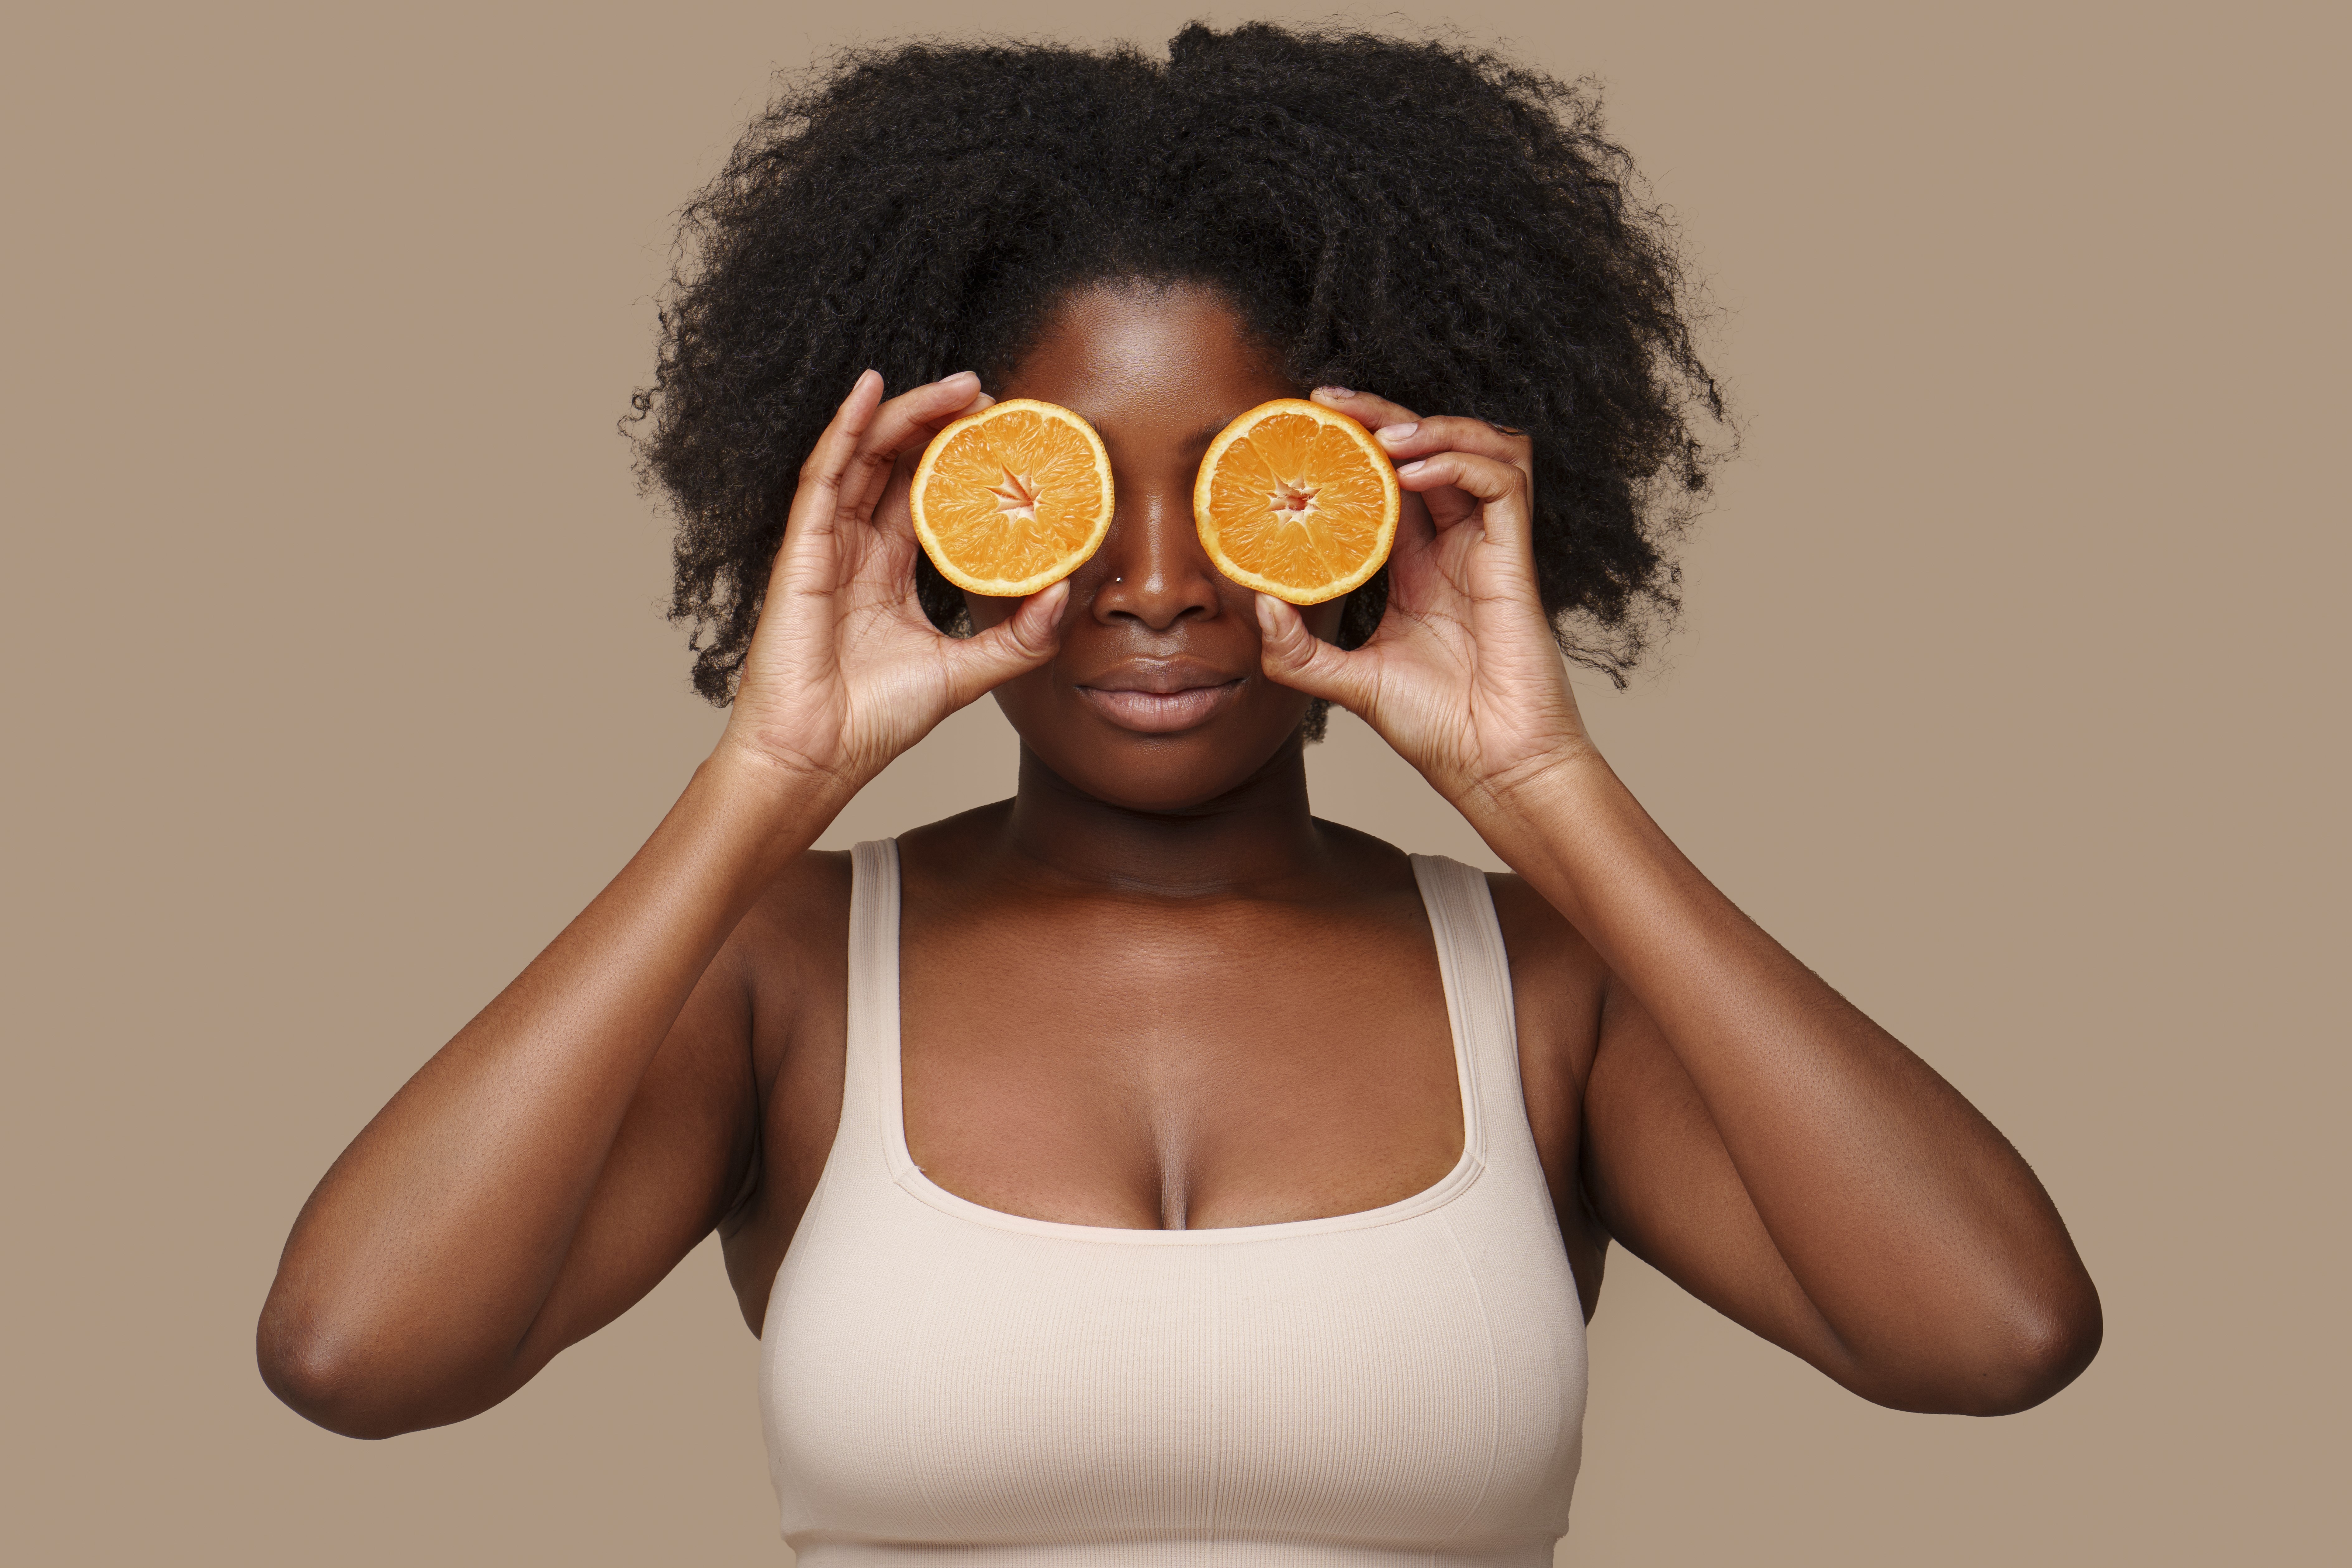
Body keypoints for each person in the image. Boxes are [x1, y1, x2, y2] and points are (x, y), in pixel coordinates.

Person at [258, 23, 2100, 1562]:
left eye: (1249, 490)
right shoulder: (786, 971)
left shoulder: (1552, 989)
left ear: (1380, 508)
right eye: (1060, 489)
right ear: (938, 515)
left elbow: (1996, 1334)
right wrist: (766, 778)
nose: (1155, 584)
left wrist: (1542, 783)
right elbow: (354, 1353)